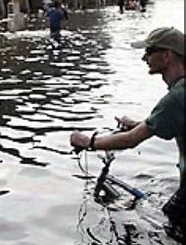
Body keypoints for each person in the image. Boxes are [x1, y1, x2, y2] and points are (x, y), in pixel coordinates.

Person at [70, 26, 185, 228]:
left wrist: (89, 142)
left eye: (149, 52)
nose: (144, 58)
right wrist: (139, 124)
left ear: (167, 56)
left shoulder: (176, 98)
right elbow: (171, 119)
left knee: (172, 225)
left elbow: (130, 140)